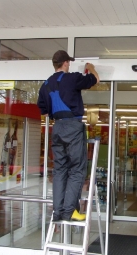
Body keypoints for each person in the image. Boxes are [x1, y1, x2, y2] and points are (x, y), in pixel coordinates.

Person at [37, 50, 100, 221]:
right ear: (65, 63)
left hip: (57, 128)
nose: (70, 65)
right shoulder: (71, 78)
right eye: (69, 62)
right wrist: (91, 67)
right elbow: (95, 79)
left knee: (60, 170)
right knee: (77, 169)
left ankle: (58, 212)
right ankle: (70, 210)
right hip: (73, 126)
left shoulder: (45, 85)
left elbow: (42, 109)